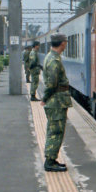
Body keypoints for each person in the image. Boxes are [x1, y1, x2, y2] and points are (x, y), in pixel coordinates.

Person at [41, 33, 71, 172]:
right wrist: (45, 98)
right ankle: (50, 161)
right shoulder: (54, 60)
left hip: (56, 100)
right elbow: (52, 83)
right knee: (56, 131)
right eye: (66, 42)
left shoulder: (52, 57)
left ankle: (52, 159)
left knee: (54, 130)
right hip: (56, 101)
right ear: (62, 43)